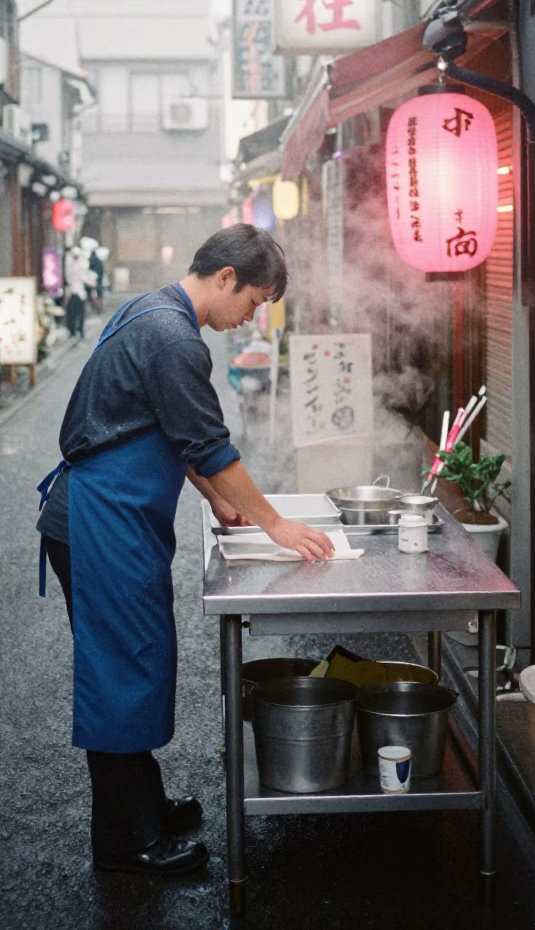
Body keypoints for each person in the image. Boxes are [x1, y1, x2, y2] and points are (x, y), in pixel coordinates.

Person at [37, 224, 334, 877]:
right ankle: (124, 841)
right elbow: (206, 444)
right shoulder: (173, 337)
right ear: (226, 277)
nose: (249, 318)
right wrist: (275, 524)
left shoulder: (150, 309)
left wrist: (213, 498)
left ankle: (146, 806)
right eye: (253, 302)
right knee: (122, 672)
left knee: (139, 662)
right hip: (99, 519)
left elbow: (172, 433)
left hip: (108, 517)